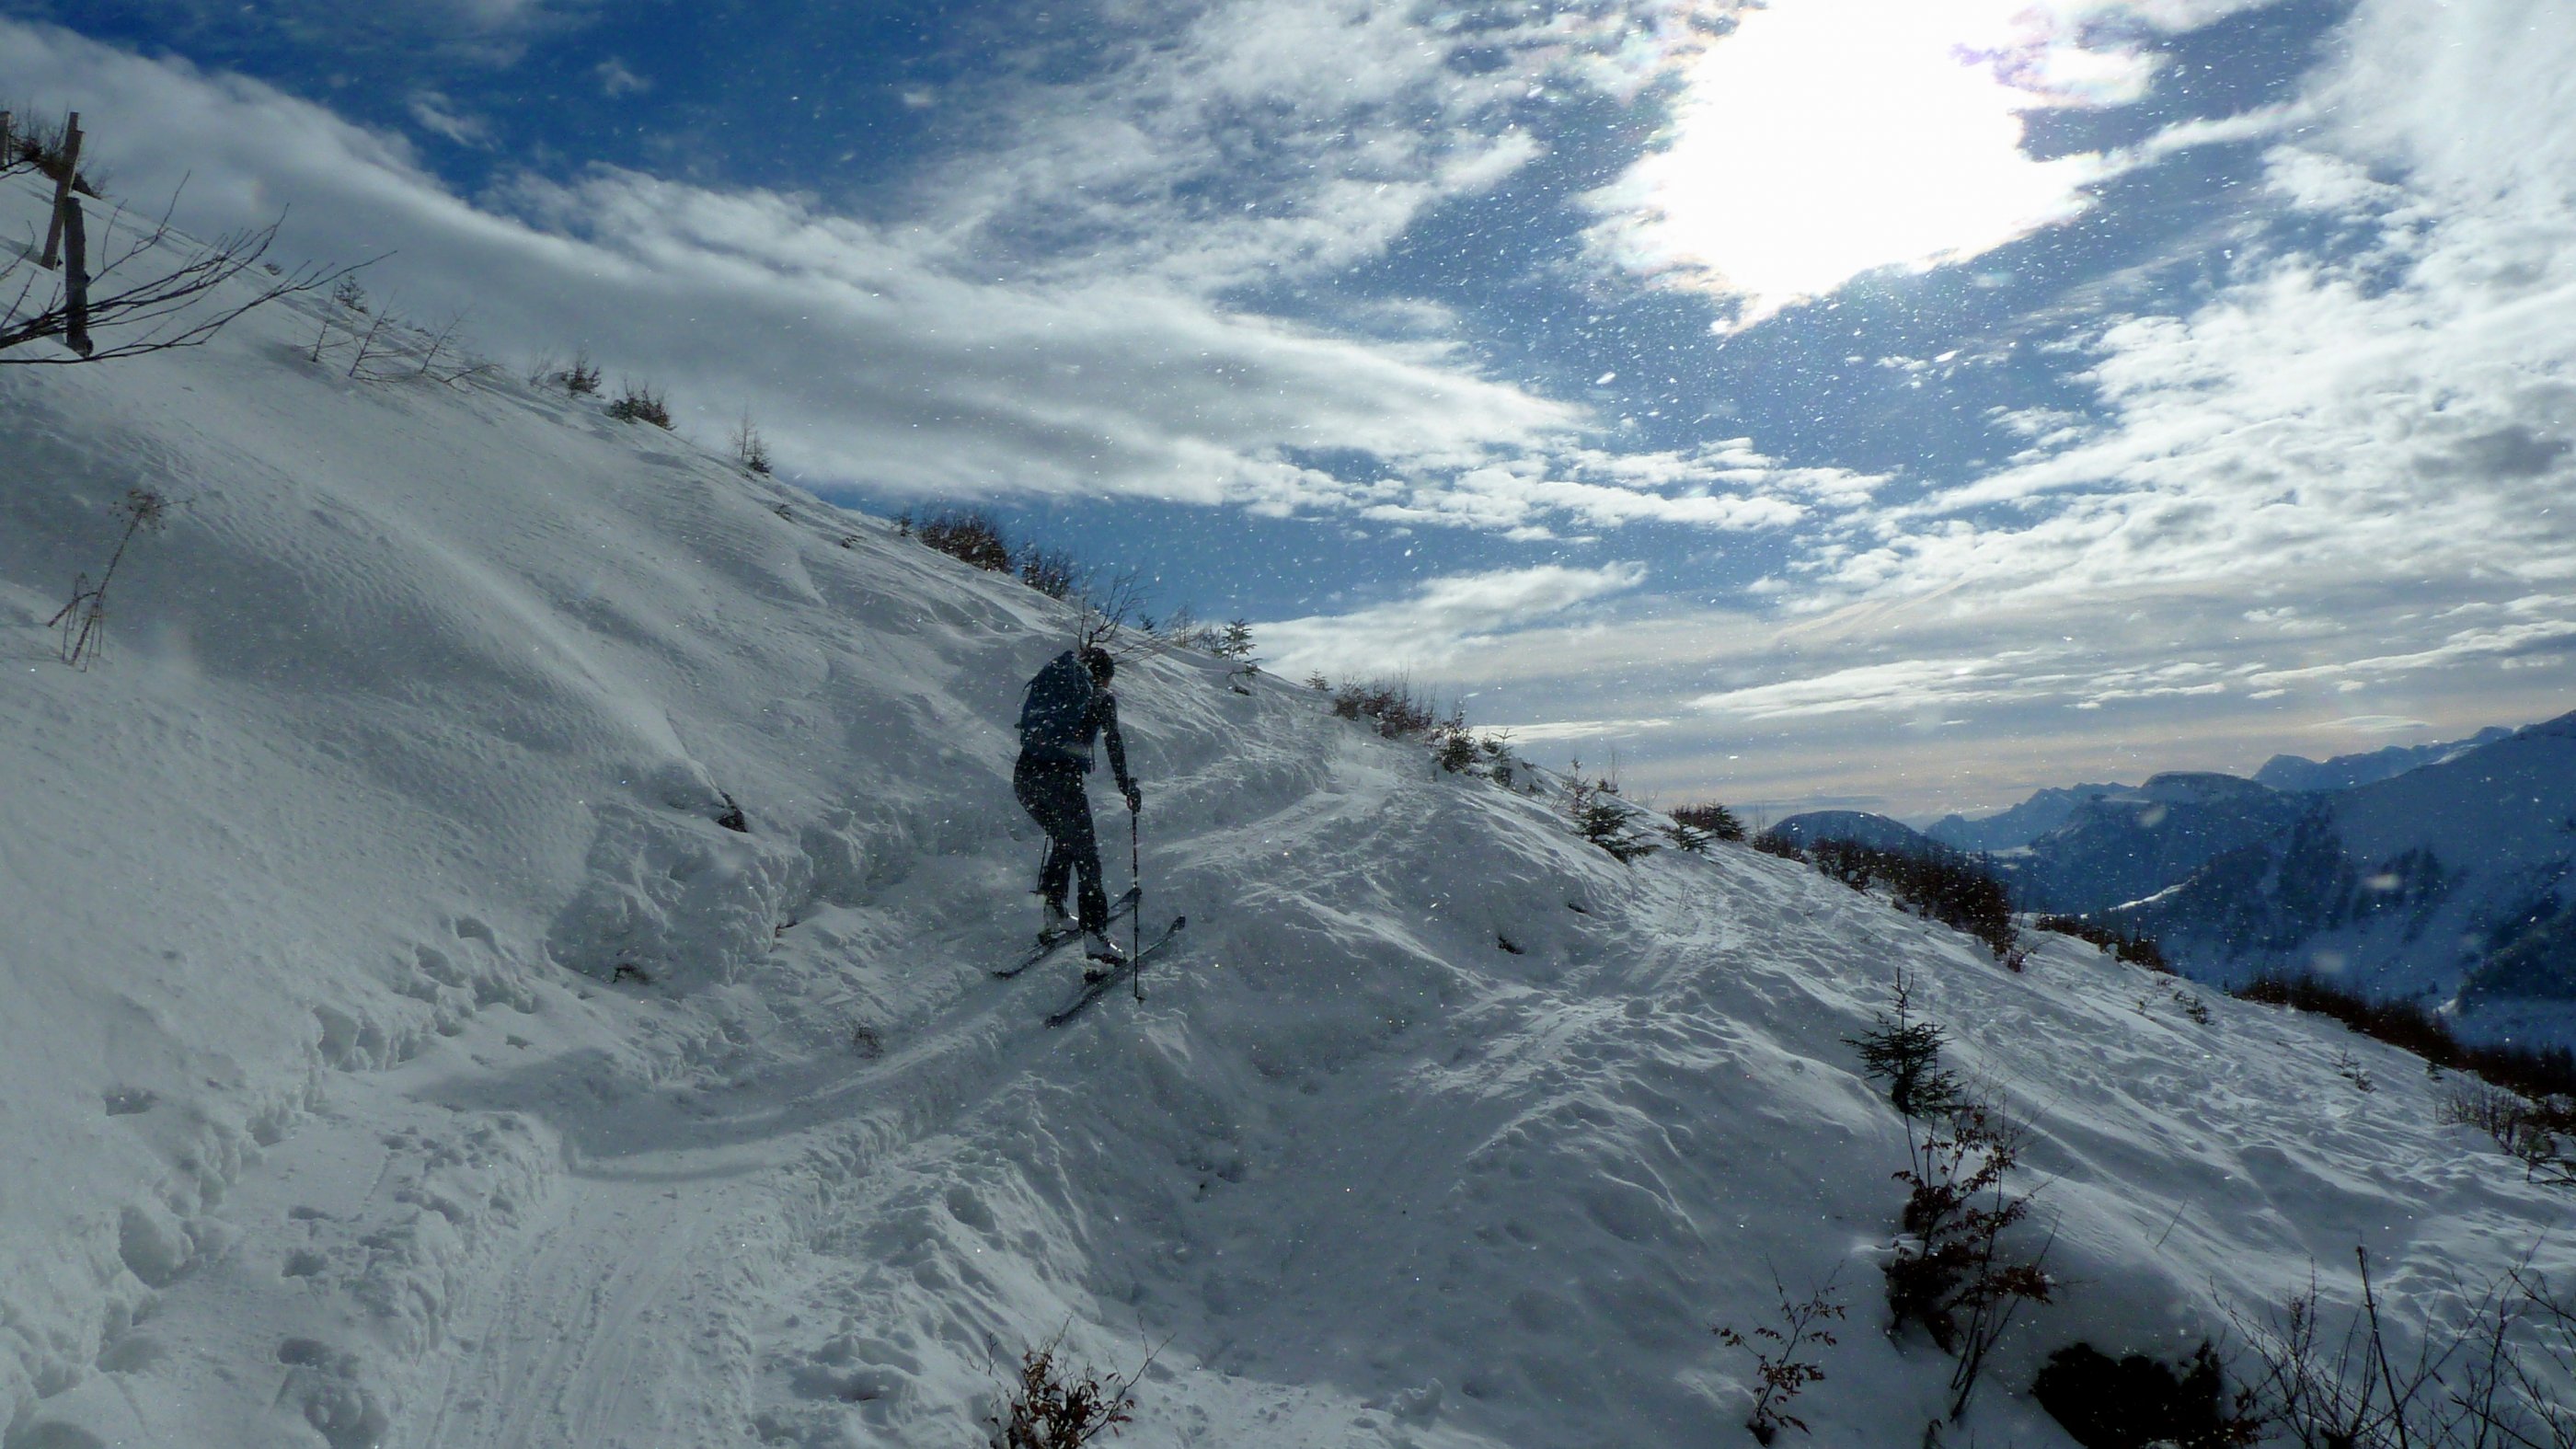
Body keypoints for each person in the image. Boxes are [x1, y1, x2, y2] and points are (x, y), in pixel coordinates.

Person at [1013, 645, 1142, 973]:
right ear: (1103, 677)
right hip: (1060, 780)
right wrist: (1127, 787)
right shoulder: (1099, 696)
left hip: (1025, 776)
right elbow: (1113, 743)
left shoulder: (1057, 683)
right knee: (1087, 858)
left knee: (1065, 840)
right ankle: (1096, 939)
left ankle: (1054, 909)